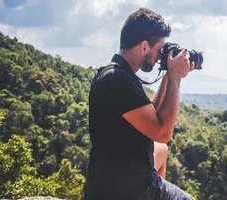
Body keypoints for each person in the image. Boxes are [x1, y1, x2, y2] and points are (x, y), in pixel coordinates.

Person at [82, 7, 195, 200]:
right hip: (128, 189)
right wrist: (176, 77)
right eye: (159, 50)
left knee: (161, 149)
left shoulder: (112, 73)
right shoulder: (119, 81)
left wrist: (168, 73)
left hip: (104, 181)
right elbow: (163, 132)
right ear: (144, 47)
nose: (160, 56)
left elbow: (152, 116)